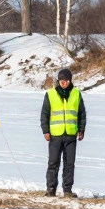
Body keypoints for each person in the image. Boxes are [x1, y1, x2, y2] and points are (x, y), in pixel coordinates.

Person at [40, 68, 86, 197]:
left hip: (71, 134)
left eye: (65, 81)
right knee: (53, 163)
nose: (63, 83)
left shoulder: (76, 94)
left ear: (70, 81)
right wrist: (45, 131)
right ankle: (51, 189)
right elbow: (44, 114)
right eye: (61, 81)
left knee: (69, 164)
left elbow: (81, 114)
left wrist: (81, 129)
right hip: (55, 135)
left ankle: (67, 190)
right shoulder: (50, 94)